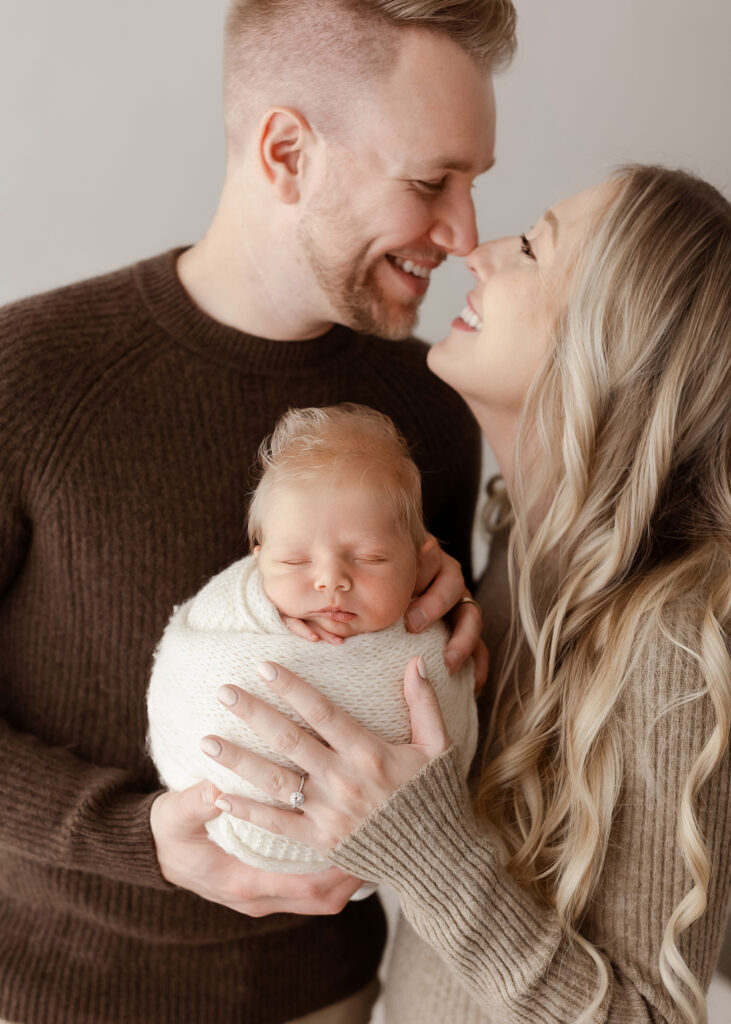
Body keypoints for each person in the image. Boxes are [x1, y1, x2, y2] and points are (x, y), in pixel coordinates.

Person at [0, 1, 518, 1022]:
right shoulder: (30, 380)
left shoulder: (433, 408)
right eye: (429, 182)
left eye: (472, 185)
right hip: (58, 996)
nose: (462, 234)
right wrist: (127, 834)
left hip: (339, 996)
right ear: (286, 151)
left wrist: (473, 629)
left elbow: (426, 739)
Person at [204, 165, 731, 1023]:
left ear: (611, 340)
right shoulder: (511, 553)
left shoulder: (669, 636)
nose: (479, 253)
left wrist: (428, 851)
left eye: (530, 248)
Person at [147, 404, 477, 877]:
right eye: (295, 562)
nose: (332, 581)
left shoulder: (427, 636)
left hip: (395, 867)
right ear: (258, 559)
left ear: (421, 560)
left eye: (371, 557)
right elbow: (188, 671)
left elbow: (451, 723)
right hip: (204, 837)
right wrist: (259, 611)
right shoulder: (233, 613)